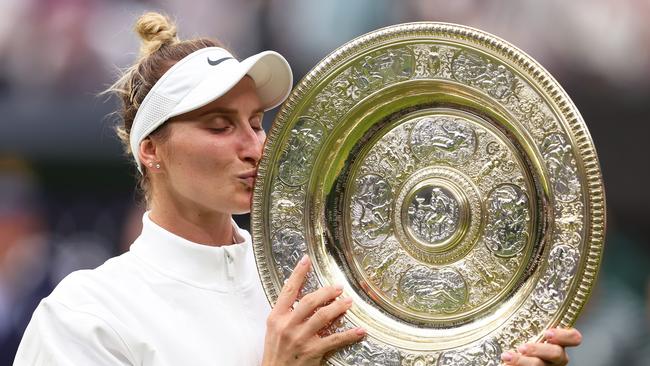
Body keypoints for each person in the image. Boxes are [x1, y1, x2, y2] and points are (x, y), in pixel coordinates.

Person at [14, 12, 582, 366]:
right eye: (218, 126)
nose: (253, 145)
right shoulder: (85, 315)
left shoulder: (328, 283)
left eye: (256, 122)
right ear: (150, 150)